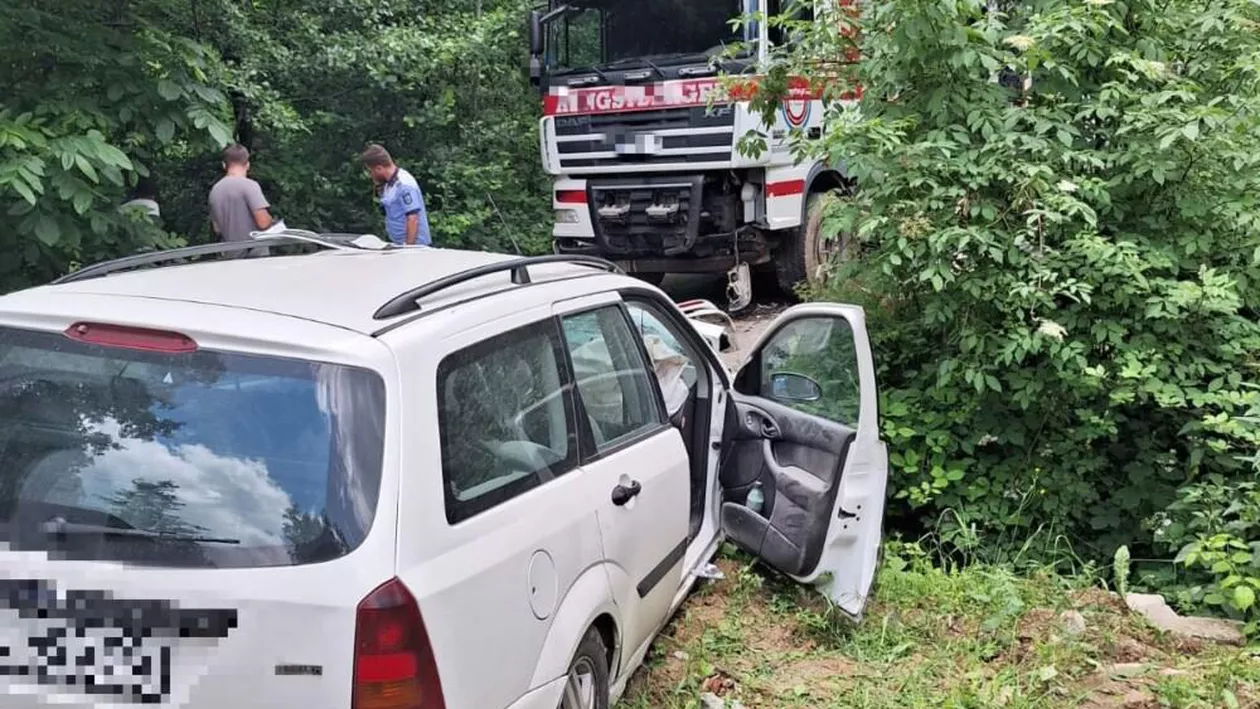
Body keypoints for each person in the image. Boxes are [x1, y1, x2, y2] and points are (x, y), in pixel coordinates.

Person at [362, 143, 431, 246]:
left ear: (379, 168)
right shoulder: (388, 183)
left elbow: (413, 218)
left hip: (414, 247)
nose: (371, 175)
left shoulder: (404, 184)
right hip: (398, 244)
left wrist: (408, 247)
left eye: (371, 171)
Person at [208, 144, 274, 248]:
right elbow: (263, 223)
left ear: (224, 165)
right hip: (255, 256)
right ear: (247, 165)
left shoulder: (215, 190)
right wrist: (272, 221)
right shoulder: (250, 185)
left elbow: (217, 228)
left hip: (230, 254)